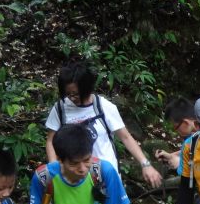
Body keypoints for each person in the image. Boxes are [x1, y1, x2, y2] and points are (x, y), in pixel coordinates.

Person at [44, 61, 163, 189]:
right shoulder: (61, 109)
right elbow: (50, 141)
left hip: (107, 177)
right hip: (75, 179)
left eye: (76, 94)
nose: (72, 98)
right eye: (68, 94)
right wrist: (54, 169)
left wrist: (145, 164)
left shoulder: (103, 106)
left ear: (86, 88)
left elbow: (125, 137)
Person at [155, 97, 199, 172]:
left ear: (185, 123)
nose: (176, 131)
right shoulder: (193, 136)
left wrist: (181, 164)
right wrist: (171, 156)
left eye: (176, 127)